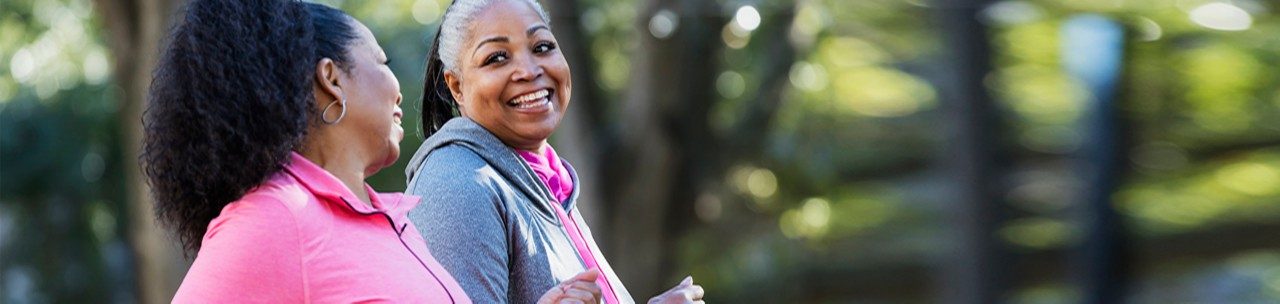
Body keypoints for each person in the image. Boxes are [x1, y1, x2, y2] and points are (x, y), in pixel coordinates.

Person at [142, 0, 597, 302]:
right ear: (332, 80)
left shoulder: (389, 221)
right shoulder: (275, 218)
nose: (400, 92)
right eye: (382, 62)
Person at [407, 0, 706, 303]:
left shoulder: (546, 181)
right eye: (497, 57)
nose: (528, 70)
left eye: (541, 47)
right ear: (456, 86)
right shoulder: (457, 182)